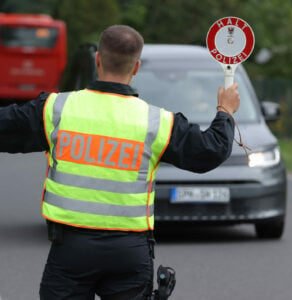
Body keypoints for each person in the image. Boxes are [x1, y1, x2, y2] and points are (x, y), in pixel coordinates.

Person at [0, 25, 240, 299]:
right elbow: (211, 151)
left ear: (97, 60)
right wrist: (225, 111)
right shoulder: (157, 122)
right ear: (136, 67)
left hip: (71, 250)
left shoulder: (56, 110)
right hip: (130, 253)